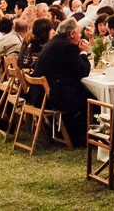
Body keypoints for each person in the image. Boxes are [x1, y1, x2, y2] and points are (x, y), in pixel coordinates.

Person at [31, 18, 91, 146]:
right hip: (51, 96)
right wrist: (85, 52)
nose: (81, 36)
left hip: (38, 93)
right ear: (72, 34)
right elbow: (83, 71)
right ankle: (79, 137)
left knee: (85, 91)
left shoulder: (55, 42)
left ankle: (72, 131)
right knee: (92, 98)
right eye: (79, 33)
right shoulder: (68, 46)